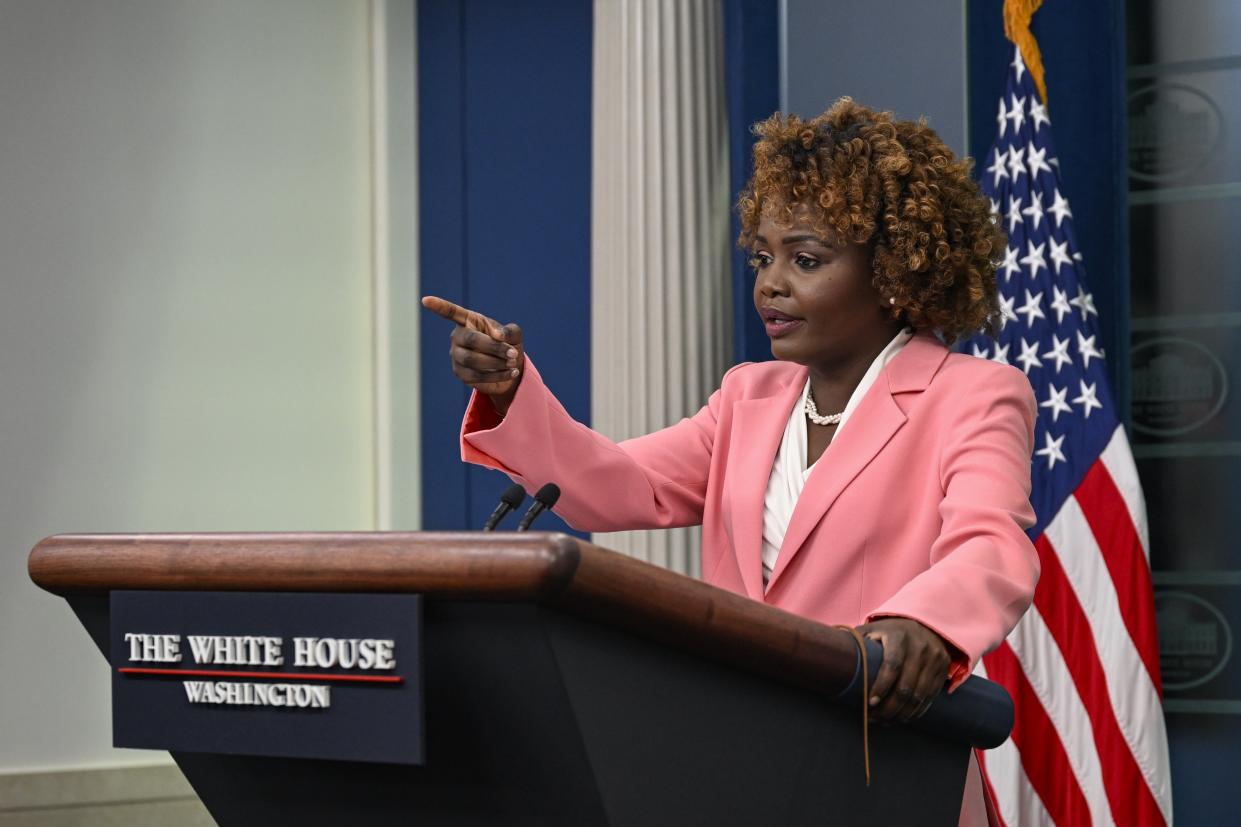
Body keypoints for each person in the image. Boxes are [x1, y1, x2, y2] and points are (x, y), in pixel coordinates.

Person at [423, 98, 1038, 826]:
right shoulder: (747, 398)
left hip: (884, 766)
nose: (769, 283)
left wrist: (923, 625)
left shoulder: (971, 394)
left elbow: (989, 544)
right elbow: (610, 487)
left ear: (893, 271)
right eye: (763, 256)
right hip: (739, 755)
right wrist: (511, 390)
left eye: (804, 259)